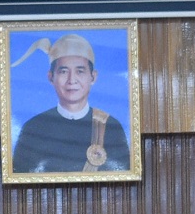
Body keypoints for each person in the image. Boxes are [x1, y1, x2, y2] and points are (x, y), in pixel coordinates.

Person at [10, 34, 131, 173]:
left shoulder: (110, 126)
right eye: (63, 71)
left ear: (93, 77)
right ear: (51, 77)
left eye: (80, 71)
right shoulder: (33, 128)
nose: (72, 80)